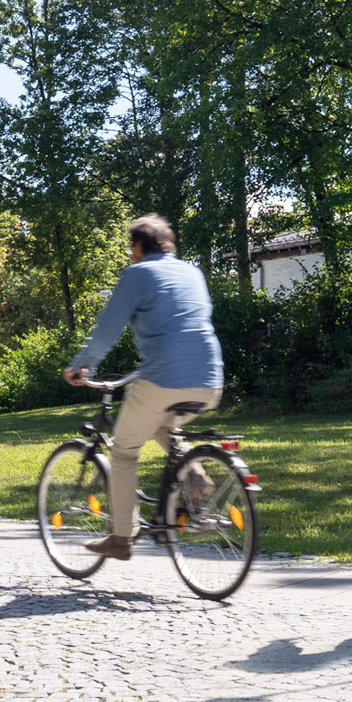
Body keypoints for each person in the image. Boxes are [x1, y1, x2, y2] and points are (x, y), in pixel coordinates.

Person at [61, 213, 224, 561]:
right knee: (162, 424)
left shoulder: (137, 273)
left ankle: (121, 538)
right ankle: (195, 476)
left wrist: (80, 366)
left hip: (164, 377)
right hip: (210, 379)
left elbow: (108, 328)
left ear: (138, 246)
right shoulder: (192, 272)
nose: (130, 254)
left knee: (122, 450)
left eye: (130, 248)